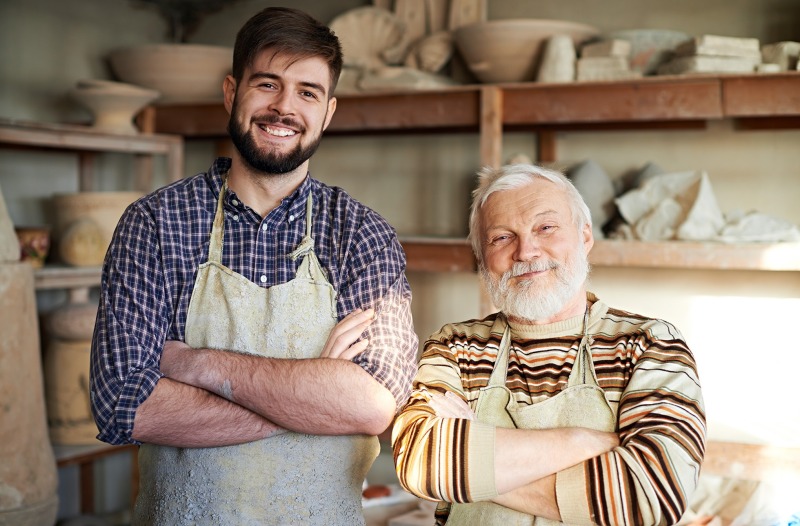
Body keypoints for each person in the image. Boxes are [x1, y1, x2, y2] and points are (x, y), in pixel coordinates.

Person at [89, 7, 418, 525]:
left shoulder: (361, 235)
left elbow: (375, 405)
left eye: (307, 92)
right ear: (231, 92)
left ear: (327, 113)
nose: (284, 107)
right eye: (268, 84)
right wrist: (314, 398)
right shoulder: (154, 224)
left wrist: (198, 366)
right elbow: (123, 406)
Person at [392, 163, 706, 525]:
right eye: (501, 237)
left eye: (545, 228)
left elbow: (650, 496)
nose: (526, 251)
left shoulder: (650, 345)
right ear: (481, 257)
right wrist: (583, 443)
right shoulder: (456, 346)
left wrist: (472, 469)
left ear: (585, 236)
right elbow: (420, 462)